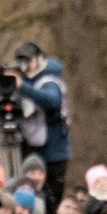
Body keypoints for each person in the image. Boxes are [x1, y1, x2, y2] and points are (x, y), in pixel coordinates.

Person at [9, 41, 71, 204]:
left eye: (28, 60)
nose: (25, 66)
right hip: (31, 147)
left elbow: (51, 101)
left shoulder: (50, 80)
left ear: (38, 60)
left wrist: (22, 87)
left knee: (51, 198)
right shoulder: (26, 80)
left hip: (53, 152)